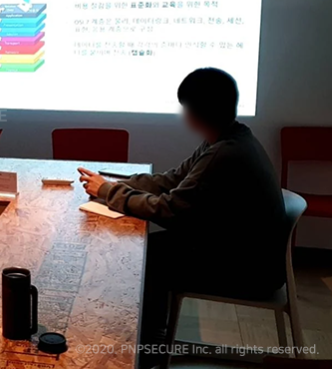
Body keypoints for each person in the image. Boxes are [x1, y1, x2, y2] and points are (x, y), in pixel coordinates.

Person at [78, 68, 287, 368]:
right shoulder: (226, 138)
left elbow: (169, 209)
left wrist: (109, 192)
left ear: (195, 113)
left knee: (148, 260)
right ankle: (150, 341)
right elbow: (173, 179)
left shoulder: (225, 153)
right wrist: (115, 185)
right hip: (241, 251)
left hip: (251, 272)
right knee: (154, 252)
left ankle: (148, 350)